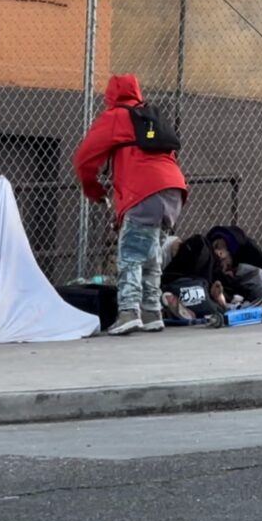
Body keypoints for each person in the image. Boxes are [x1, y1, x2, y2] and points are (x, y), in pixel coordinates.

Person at [74, 74, 188, 335]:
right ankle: (151, 312)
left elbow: (84, 159)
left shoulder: (115, 117)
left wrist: (94, 190)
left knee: (131, 254)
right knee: (151, 254)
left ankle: (128, 312)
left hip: (144, 192)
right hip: (173, 191)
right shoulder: (149, 117)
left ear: (110, 96)